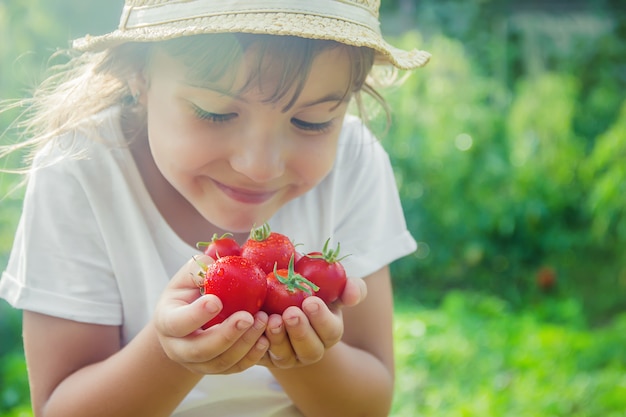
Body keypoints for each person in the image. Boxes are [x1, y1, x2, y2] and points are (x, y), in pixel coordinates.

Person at [0, 1, 430, 416]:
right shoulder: (80, 170)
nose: (259, 167)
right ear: (138, 75)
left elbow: (368, 405)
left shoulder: (353, 160)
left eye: (312, 121)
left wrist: (293, 344)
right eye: (215, 113)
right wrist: (172, 352)